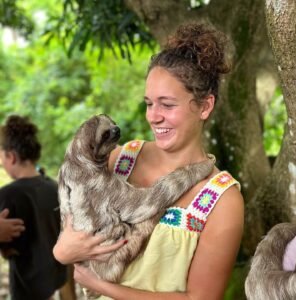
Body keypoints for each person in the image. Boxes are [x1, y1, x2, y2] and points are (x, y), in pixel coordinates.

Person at [53, 23, 244, 299]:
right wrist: (62, 252)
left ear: (205, 106)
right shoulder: (120, 159)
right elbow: (70, 232)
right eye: (149, 103)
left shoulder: (221, 200)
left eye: (167, 105)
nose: (153, 116)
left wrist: (104, 288)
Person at [0, 115, 68, 300]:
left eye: (1, 157)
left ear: (11, 157)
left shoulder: (7, 195)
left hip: (25, 290)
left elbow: (6, 245)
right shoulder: (54, 187)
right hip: (54, 280)